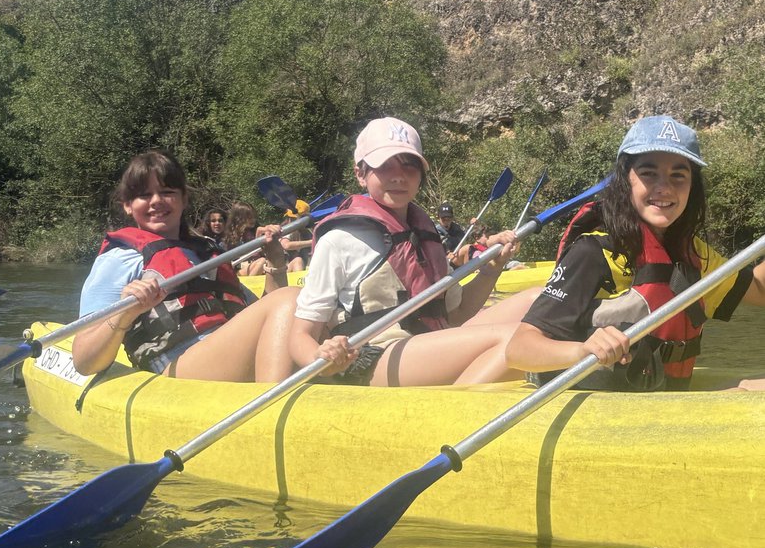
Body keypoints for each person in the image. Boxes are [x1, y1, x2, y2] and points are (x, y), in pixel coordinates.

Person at [505, 115, 765, 391]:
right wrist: (581, 351)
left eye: (678, 175)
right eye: (648, 173)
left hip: (666, 393)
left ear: (693, 186)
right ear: (625, 179)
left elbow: (760, 291)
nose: (664, 188)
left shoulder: (694, 253)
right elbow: (519, 349)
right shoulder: (594, 252)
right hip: (603, 398)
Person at [289, 116, 533, 386]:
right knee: (518, 339)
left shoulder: (424, 234)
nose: (399, 176)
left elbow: (458, 313)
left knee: (539, 302)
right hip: (373, 355)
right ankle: (455, 404)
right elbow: (300, 335)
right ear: (360, 174)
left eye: (409, 166)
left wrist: (492, 269)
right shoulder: (338, 240)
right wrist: (319, 357)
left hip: (426, 343)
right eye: (384, 166)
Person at [71, 150, 298, 382]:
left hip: (225, 354)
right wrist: (125, 314)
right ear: (128, 205)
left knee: (301, 306)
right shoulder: (119, 260)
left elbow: (269, 317)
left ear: (184, 199)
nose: (156, 201)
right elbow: (84, 361)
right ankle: (273, 398)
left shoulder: (206, 252)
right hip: (175, 366)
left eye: (167, 192)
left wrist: (275, 259)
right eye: (144, 195)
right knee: (290, 299)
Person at [225, 201, 267, 276]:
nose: (253, 220)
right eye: (249, 217)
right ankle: (250, 282)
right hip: (240, 269)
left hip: (257, 265)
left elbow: (262, 252)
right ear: (239, 218)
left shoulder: (255, 231)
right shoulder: (230, 237)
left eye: (254, 217)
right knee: (262, 261)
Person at [280, 199, 314, 272]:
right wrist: (311, 242)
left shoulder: (308, 231)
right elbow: (286, 245)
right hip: (285, 270)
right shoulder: (287, 230)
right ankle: (299, 279)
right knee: (298, 261)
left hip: (305, 267)